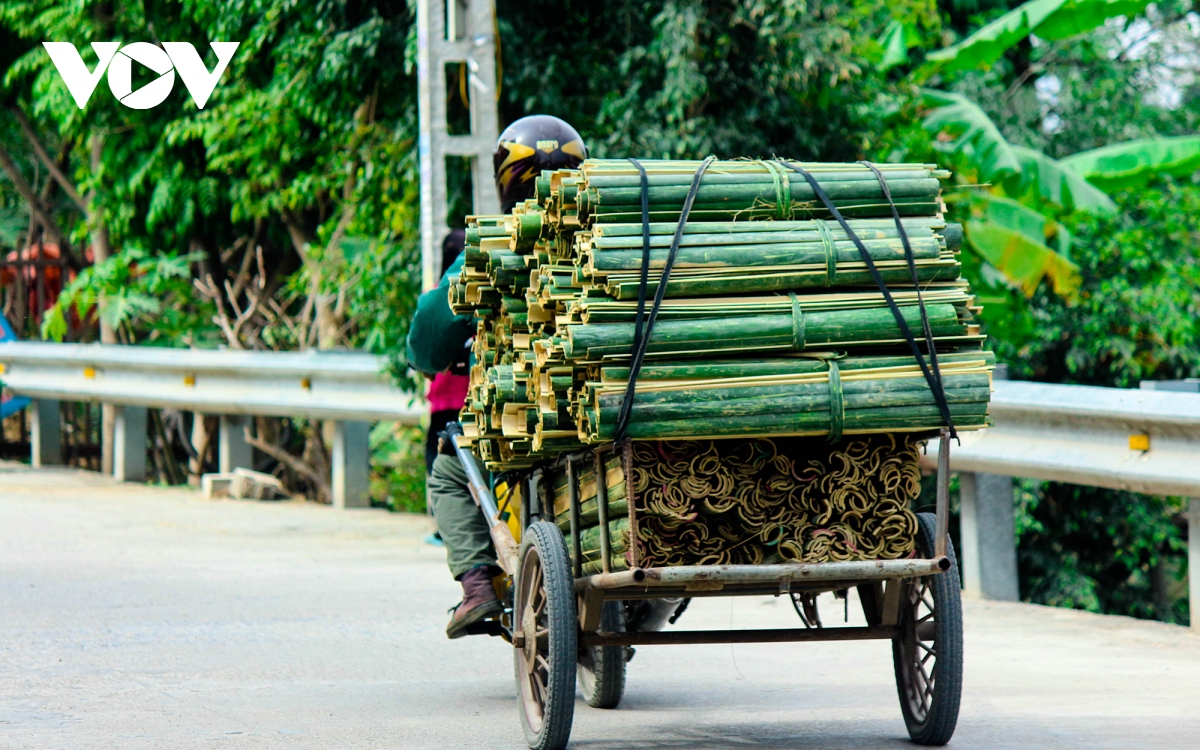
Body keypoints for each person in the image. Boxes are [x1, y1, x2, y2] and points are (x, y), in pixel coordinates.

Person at [406, 115, 589, 638]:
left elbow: (429, 336)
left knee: (447, 467)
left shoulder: (488, 251)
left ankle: (478, 585)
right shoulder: (617, 240)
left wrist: (426, 357)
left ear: (506, 182)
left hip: (523, 418)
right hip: (614, 410)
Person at [422, 230, 470, 547]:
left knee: (441, 468)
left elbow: (422, 357)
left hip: (443, 405)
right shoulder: (482, 294)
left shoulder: (434, 297)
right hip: (475, 401)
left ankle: (446, 528)